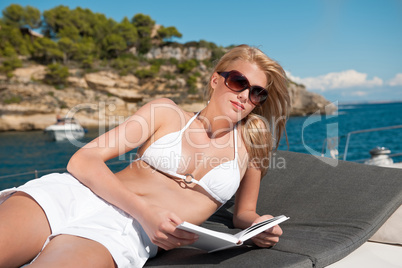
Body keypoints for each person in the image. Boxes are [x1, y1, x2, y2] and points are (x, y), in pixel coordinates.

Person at [0, 44, 290, 268]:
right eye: (239, 82)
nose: (245, 96)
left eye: (257, 93)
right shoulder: (165, 113)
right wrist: (147, 213)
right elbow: (83, 160)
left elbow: (243, 213)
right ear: (216, 80)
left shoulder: (254, 142)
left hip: (126, 232)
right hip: (77, 196)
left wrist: (256, 227)